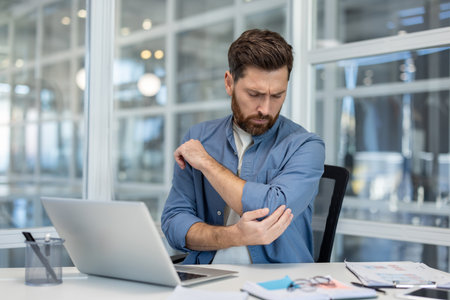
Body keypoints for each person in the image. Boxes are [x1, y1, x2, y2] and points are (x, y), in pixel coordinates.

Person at [161, 29, 325, 264]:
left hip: (280, 285)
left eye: (277, 95)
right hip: (204, 277)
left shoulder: (306, 145)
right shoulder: (199, 137)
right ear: (229, 83)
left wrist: (207, 164)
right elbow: (174, 223)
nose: (266, 109)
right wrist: (232, 236)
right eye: (254, 94)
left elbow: (272, 209)